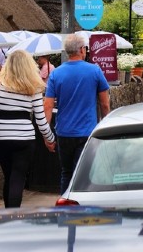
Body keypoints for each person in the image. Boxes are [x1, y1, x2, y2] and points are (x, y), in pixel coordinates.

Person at [0, 50, 56, 208]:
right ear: (28, 66)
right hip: (24, 139)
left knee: (9, 175)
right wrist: (50, 139)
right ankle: (13, 216)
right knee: (18, 177)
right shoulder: (33, 87)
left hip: (0, 140)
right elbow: (41, 120)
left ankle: (8, 214)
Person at [44, 34, 110, 193]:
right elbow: (105, 103)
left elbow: (47, 106)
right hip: (87, 132)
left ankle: (66, 207)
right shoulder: (94, 71)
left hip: (64, 133)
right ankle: (83, 207)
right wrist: (106, 126)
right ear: (82, 50)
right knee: (85, 174)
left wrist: (47, 136)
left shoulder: (56, 74)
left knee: (66, 173)